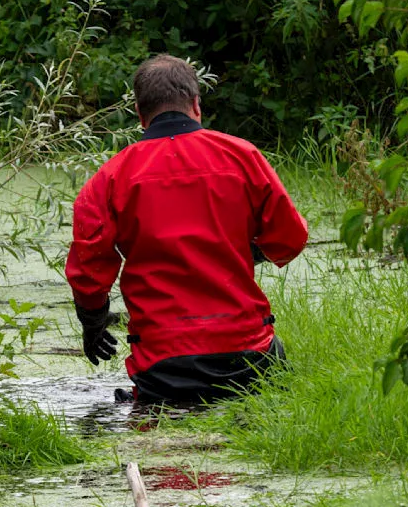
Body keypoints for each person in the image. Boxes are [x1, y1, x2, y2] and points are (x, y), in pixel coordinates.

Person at [65, 55, 309, 403]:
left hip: (164, 368)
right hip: (248, 359)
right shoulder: (244, 156)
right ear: (196, 104)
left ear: (139, 114)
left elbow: (89, 270)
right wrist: (238, 252)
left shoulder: (108, 180)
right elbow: (291, 238)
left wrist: (93, 326)